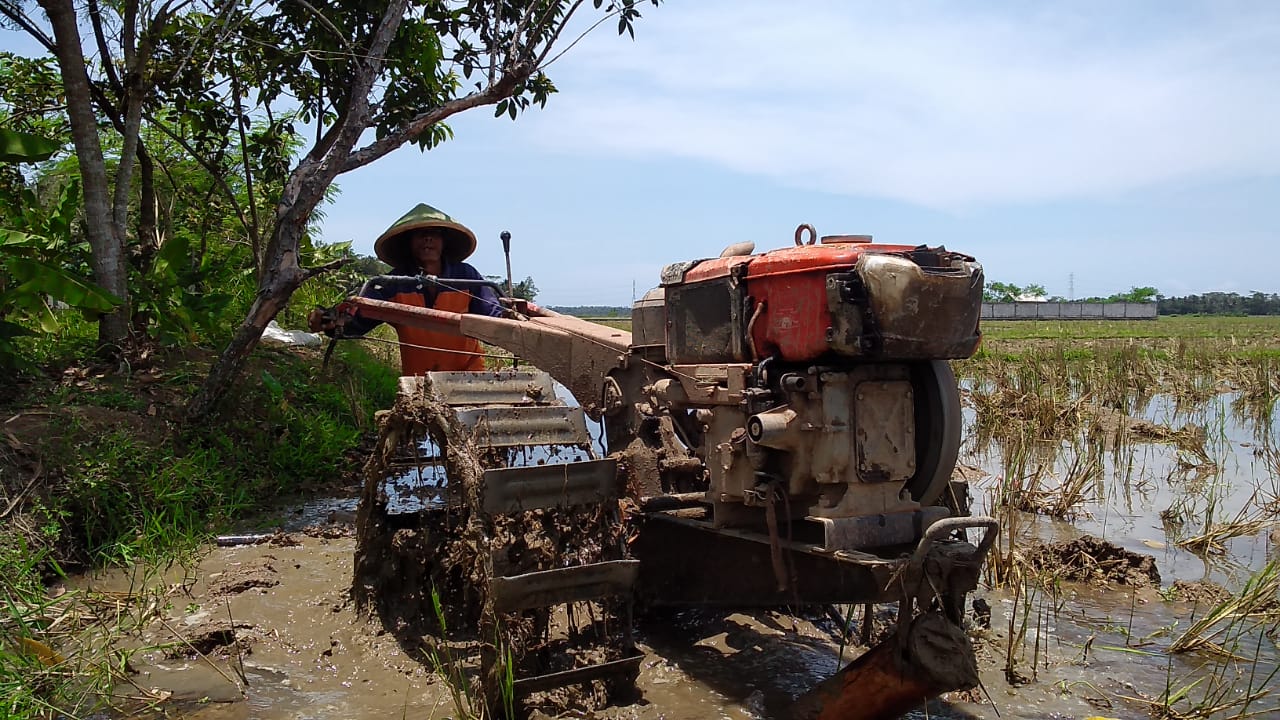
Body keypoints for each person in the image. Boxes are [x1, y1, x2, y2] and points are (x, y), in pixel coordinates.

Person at [309, 203, 505, 374]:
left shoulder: (466, 276)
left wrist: (514, 319)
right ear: (409, 243)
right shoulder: (392, 283)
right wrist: (329, 320)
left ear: (444, 241)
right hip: (420, 381)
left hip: (468, 375)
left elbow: (493, 318)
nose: (428, 239)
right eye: (420, 234)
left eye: (434, 234)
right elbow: (356, 320)